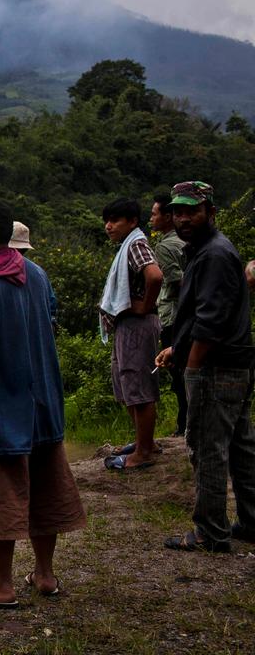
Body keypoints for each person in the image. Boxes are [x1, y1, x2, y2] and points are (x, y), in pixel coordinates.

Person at [0, 197, 85, 608]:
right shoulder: (36, 274)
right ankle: (44, 575)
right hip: (43, 403)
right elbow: (48, 319)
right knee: (46, 485)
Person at [155, 181, 255, 553]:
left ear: (210, 213)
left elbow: (210, 322)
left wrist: (192, 369)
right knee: (242, 446)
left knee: (208, 447)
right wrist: (175, 349)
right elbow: (200, 314)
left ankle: (211, 532)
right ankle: (251, 520)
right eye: (177, 212)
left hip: (216, 368)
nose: (183, 218)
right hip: (236, 364)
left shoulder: (213, 254)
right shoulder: (206, 250)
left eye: (191, 211)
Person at [99, 198, 163, 470]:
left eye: (115, 220)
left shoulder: (135, 243)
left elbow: (155, 276)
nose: (108, 226)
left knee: (139, 388)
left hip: (137, 325)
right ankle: (143, 442)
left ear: (133, 222)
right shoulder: (130, 243)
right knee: (127, 385)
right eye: (107, 220)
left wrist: (144, 307)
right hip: (128, 326)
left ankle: (144, 453)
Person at [151, 192, 188, 435]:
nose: (151, 218)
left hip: (173, 316)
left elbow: (175, 280)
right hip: (190, 317)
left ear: (167, 217)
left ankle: (184, 424)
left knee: (178, 374)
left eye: (154, 214)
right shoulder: (185, 242)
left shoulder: (164, 246)